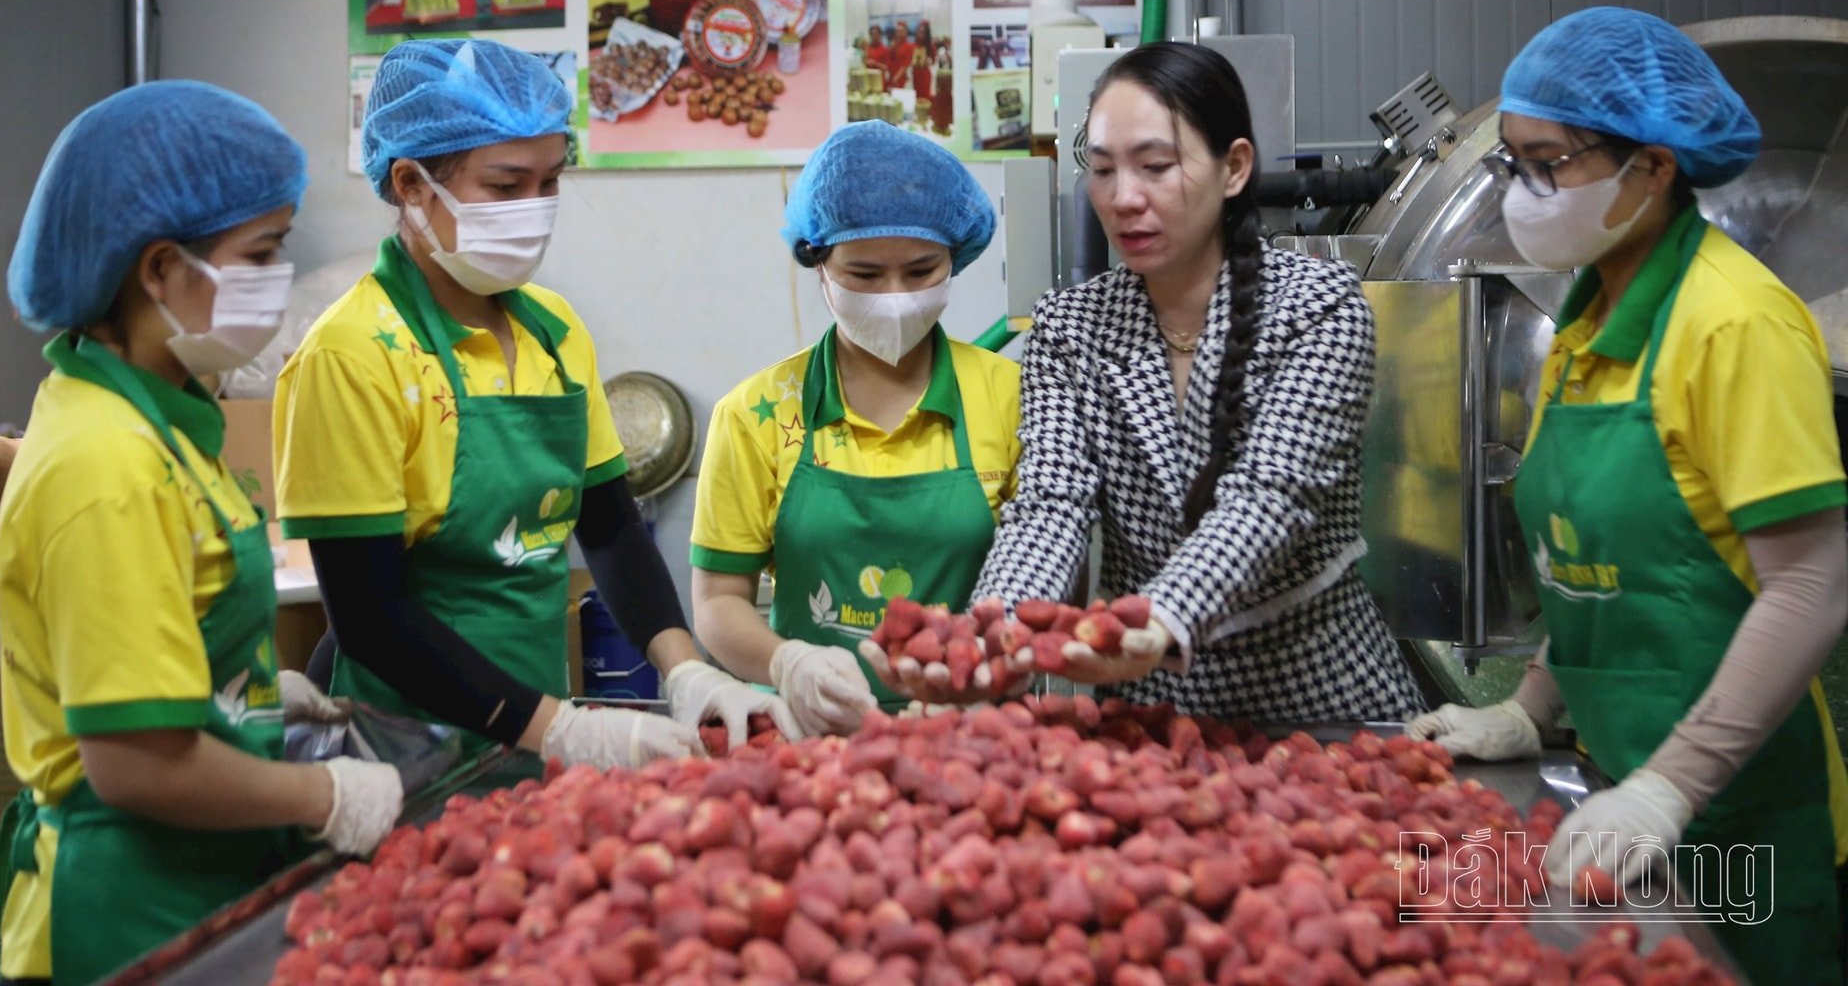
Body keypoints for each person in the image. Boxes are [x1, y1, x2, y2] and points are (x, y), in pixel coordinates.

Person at [1407, 7, 1848, 982]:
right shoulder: (1586, 324)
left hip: (1738, 817)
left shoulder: (1737, 324)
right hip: (1615, 799)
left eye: (1548, 162)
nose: (1524, 192)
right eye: (1511, 163)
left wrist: (1672, 787)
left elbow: (1812, 582)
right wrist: (1530, 706)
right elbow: (1604, 571)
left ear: (1652, 167)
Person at [274, 39, 788, 769]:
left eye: (550, 181)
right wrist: (562, 730)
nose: (536, 209)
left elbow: (608, 528)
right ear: (413, 184)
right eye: (506, 186)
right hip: (397, 741)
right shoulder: (353, 354)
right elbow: (370, 616)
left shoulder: (552, 332)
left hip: (526, 723)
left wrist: (686, 669)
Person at [872, 42, 1422, 721]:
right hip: (1149, 708)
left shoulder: (1318, 307)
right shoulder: (1072, 327)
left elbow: (1270, 498)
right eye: (1102, 171)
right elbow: (1052, 505)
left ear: (1235, 168)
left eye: (1156, 167)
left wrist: (1159, 621)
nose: (1124, 198)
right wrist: (997, 633)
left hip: (1318, 695)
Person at [0, 82, 402, 986]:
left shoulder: (159, 416)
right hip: (130, 900)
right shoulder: (106, 464)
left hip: (202, 867)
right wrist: (325, 794)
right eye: (260, 253)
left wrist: (237, 690)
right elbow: (137, 767)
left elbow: (13, 649)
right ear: (159, 269)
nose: (276, 278)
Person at [689, 121, 1021, 735]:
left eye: (922, 271)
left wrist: (996, 659)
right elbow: (716, 601)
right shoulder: (756, 412)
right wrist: (786, 663)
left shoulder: (1010, 396)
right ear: (817, 262)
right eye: (864, 275)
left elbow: (1057, 575)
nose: (894, 298)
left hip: (978, 736)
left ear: (956, 258)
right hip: (807, 737)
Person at [886, 20, 916, 89]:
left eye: (901, 31)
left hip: (902, 78)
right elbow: (889, 62)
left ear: (906, 32)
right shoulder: (893, 45)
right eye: (897, 31)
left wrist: (896, 78)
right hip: (892, 77)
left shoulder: (910, 46)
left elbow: (905, 65)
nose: (899, 33)